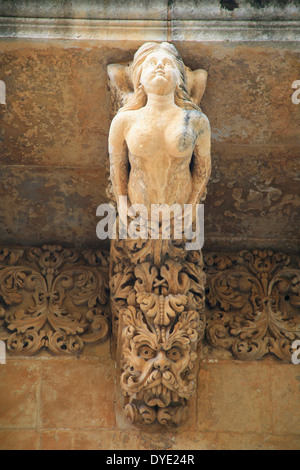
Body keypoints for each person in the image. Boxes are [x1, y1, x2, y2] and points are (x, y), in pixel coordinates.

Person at [109, 42, 211, 217]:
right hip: (139, 210)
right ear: (139, 79)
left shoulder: (196, 121)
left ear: (179, 79)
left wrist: (192, 205)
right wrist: (122, 202)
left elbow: (203, 167)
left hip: (178, 210)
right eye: (151, 63)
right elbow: (117, 165)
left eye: (168, 63)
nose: (159, 66)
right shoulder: (125, 120)